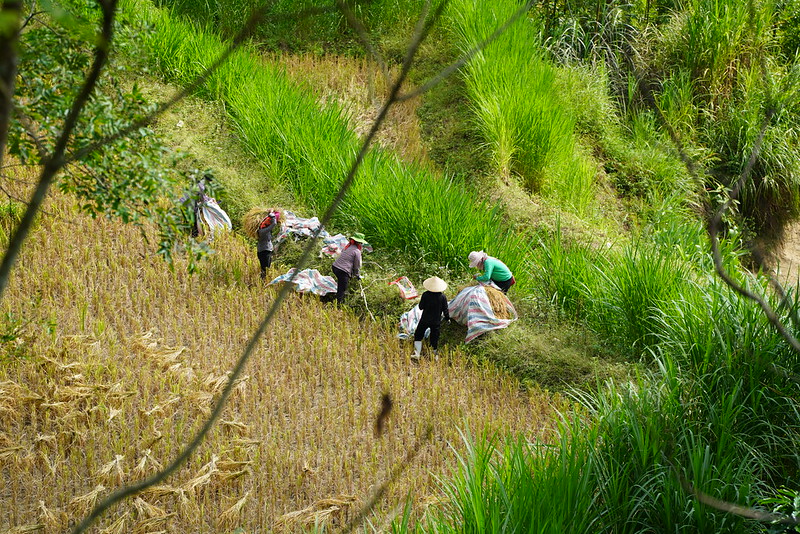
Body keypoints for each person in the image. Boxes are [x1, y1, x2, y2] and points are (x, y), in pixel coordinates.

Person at [412, 276, 450, 360]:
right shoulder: (442, 297)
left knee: (418, 334)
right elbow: (445, 310)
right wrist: (448, 318)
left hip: (425, 319)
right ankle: (435, 355)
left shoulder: (425, 295)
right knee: (434, 337)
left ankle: (417, 353)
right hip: (436, 321)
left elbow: (421, 307)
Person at [331, 232, 367, 305]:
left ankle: (337, 297)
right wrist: (357, 275)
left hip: (335, 267)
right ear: (359, 243)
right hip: (342, 270)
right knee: (342, 288)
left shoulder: (348, 247)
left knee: (342, 284)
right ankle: (338, 305)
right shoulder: (357, 251)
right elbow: (357, 265)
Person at [257, 210, 280, 279]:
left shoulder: (263, 230)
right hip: (264, 251)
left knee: (265, 269)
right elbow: (274, 224)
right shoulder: (262, 231)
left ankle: (263, 281)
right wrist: (271, 214)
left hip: (264, 250)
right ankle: (263, 282)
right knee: (265, 269)